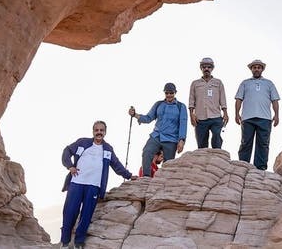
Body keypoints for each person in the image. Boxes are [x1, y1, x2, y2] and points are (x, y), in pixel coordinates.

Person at [60, 120, 136, 248]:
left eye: (101, 130)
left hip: (94, 186)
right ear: (93, 131)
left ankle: (78, 243)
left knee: (86, 215)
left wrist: (129, 175)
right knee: (69, 213)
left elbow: (116, 165)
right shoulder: (82, 142)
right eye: (96, 130)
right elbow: (66, 151)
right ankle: (65, 243)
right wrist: (70, 166)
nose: (99, 132)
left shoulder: (108, 149)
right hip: (77, 183)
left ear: (105, 132)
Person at [128, 82, 188, 177]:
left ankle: (164, 182)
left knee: (168, 164)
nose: (169, 95)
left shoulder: (181, 106)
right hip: (156, 136)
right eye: (167, 93)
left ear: (175, 93)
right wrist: (135, 114)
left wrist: (182, 140)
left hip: (171, 139)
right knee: (147, 152)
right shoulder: (158, 104)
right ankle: (146, 177)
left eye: (171, 93)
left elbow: (183, 124)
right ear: (164, 93)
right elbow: (148, 118)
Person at [235, 59, 280, 170]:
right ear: (251, 69)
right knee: (245, 142)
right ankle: (243, 165)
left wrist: (277, 115)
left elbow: (275, 100)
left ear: (262, 69)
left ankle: (260, 168)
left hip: (265, 118)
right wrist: (236, 114)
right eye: (254, 67)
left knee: (263, 144)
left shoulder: (269, 83)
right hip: (247, 117)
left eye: (259, 67)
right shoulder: (245, 83)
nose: (256, 69)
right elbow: (239, 99)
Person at [189, 57, 229, 149]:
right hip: (200, 118)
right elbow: (191, 101)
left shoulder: (218, 83)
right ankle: (204, 157)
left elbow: (223, 99)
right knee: (202, 145)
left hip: (215, 116)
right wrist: (191, 115)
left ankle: (217, 154)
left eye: (209, 67)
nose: (206, 69)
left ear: (212, 68)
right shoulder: (195, 83)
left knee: (216, 135)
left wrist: (225, 113)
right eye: (204, 67)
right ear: (201, 68)